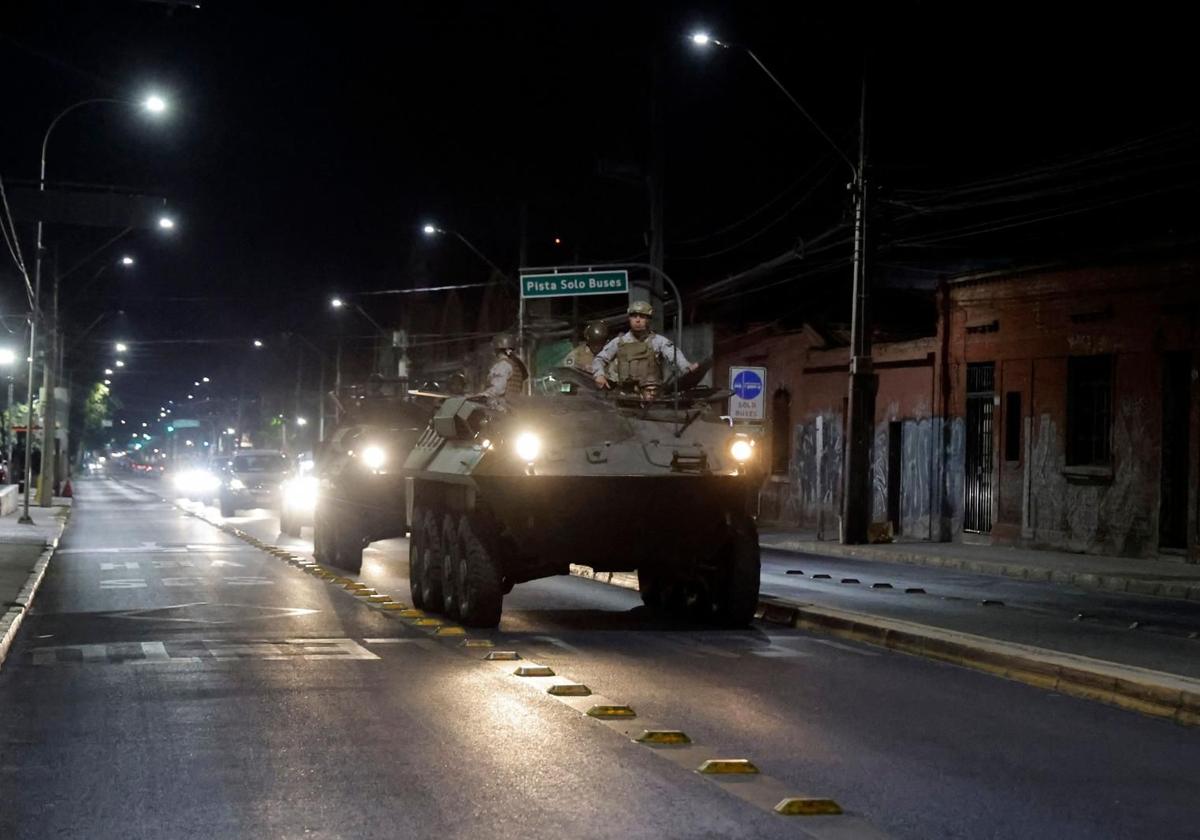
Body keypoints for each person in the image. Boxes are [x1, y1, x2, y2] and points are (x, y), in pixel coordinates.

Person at [592, 301, 697, 390]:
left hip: (652, 396)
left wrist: (686, 367)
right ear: (629, 319)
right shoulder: (619, 342)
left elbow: (674, 355)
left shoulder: (658, 341)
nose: (637, 320)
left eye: (642, 316)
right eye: (634, 316)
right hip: (625, 395)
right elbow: (600, 359)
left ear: (648, 319)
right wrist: (599, 375)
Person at [484, 333, 527, 400]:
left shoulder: (503, 365)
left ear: (496, 350)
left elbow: (498, 388)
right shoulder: (515, 365)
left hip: (503, 404)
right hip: (514, 404)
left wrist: (484, 394)